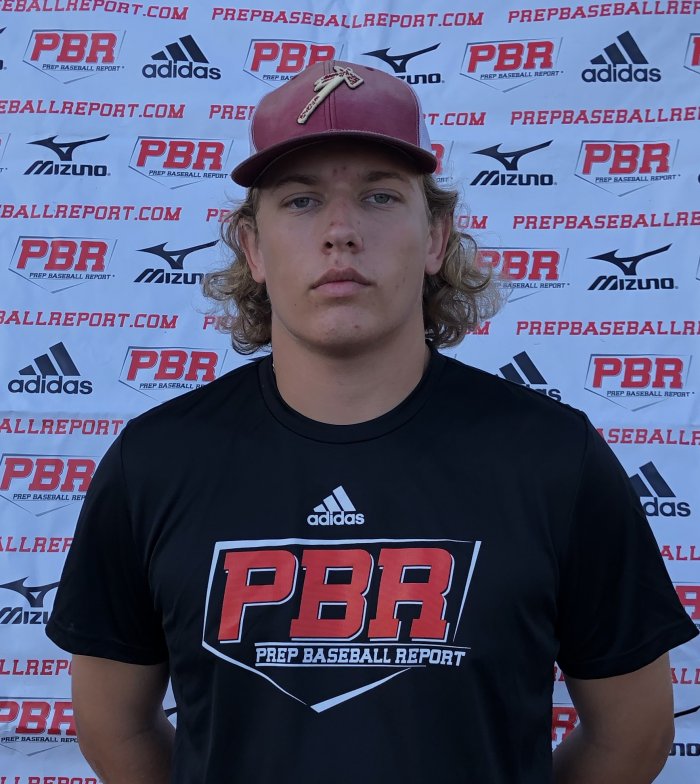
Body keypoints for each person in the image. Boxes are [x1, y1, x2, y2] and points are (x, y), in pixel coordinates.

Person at [47, 60, 697, 784]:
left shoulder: (553, 458)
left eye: (380, 196)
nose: (341, 231)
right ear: (253, 248)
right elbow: (116, 726)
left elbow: (631, 735)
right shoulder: (156, 461)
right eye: (301, 201)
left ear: (436, 238)